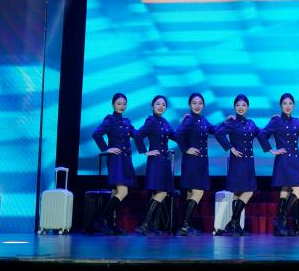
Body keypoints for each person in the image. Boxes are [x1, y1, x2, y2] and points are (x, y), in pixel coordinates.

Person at [261, 93, 299, 236]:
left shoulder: (297, 122)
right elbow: (262, 134)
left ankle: (281, 225)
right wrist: (271, 150)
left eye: (290, 103)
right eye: (285, 103)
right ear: (281, 105)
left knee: (286, 189)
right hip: (284, 161)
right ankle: (281, 219)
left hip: (294, 162)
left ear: (294, 105)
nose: (287, 106)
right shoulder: (276, 121)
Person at [214, 94, 272, 236]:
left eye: (244, 105)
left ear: (248, 107)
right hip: (237, 162)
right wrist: (230, 148)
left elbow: (262, 134)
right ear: (234, 107)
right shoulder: (232, 122)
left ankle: (233, 224)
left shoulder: (251, 123)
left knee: (243, 193)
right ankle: (234, 224)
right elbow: (218, 133)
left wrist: (272, 122)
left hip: (248, 163)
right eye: (238, 105)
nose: (241, 108)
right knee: (240, 192)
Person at [90, 93, 146, 235]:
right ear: (113, 104)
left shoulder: (126, 121)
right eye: (119, 103)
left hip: (126, 160)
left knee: (115, 193)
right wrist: (106, 149)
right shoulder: (110, 120)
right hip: (116, 160)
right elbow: (96, 134)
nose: (122, 106)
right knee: (123, 191)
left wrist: (145, 151)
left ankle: (110, 224)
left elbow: (137, 134)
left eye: (124, 104)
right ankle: (101, 220)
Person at [135, 95, 178, 235]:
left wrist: (185, 125)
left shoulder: (164, 122)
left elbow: (175, 136)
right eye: (158, 104)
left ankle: (151, 226)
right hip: (157, 162)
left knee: (158, 193)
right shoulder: (151, 121)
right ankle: (145, 225)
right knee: (161, 192)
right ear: (152, 106)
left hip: (164, 161)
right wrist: (144, 151)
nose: (161, 106)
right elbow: (137, 135)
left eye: (163, 104)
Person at [173, 93, 214, 236]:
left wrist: (228, 122)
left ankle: (185, 226)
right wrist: (186, 148)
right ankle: (185, 226)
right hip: (192, 162)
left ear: (203, 105)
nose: (197, 105)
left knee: (191, 194)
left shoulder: (203, 120)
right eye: (194, 103)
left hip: (200, 162)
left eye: (200, 103)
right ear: (190, 105)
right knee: (198, 192)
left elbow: (215, 130)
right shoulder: (189, 119)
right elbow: (178, 134)